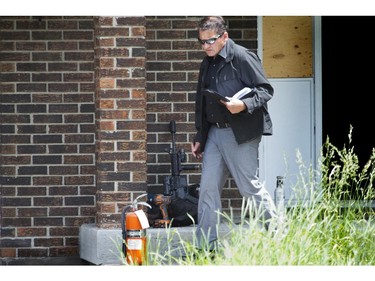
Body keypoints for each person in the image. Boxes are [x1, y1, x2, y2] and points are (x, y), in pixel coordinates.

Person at [191, 16, 277, 250]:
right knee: (207, 189)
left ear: (224, 36)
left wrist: (244, 105)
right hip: (214, 136)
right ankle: (205, 247)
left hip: (239, 132)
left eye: (210, 41)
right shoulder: (206, 63)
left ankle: (279, 236)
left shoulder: (241, 56)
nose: (206, 46)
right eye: (202, 42)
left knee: (248, 186)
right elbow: (202, 101)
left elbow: (265, 90)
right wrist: (200, 136)